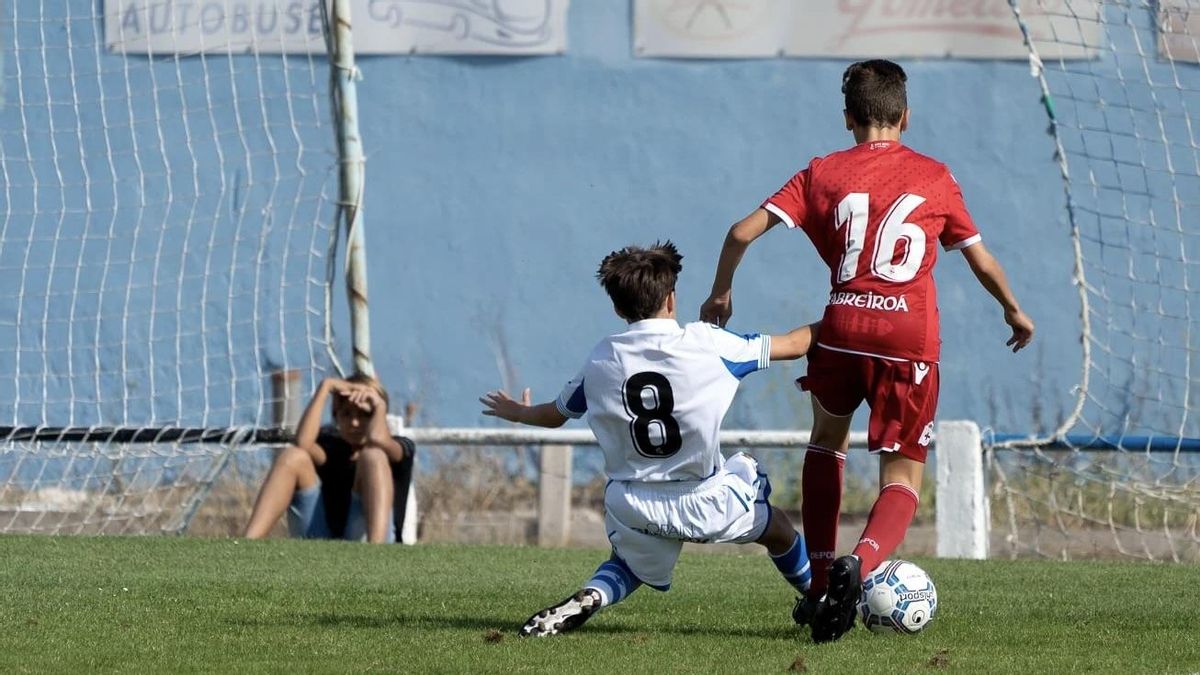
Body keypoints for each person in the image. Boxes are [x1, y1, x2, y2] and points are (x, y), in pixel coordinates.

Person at [700, 59, 1034, 643]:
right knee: (901, 478)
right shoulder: (935, 176)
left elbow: (738, 231)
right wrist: (1012, 307)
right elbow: (978, 257)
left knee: (826, 443)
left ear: (849, 117)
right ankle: (865, 559)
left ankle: (823, 577)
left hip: (842, 327)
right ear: (905, 116)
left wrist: (721, 291)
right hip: (908, 341)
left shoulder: (821, 172)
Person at [481, 241, 821, 637]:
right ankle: (819, 595)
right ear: (672, 299)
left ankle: (592, 595)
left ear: (618, 309)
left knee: (628, 565)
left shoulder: (602, 358)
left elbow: (556, 415)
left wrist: (519, 413)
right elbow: (797, 345)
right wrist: (855, 317)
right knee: (775, 525)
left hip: (632, 501)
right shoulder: (709, 343)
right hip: (704, 499)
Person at [244, 373, 414, 543]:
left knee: (372, 456)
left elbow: (377, 439)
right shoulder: (331, 447)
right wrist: (325, 387)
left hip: (367, 541)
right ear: (336, 417)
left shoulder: (400, 447)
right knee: (293, 456)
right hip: (324, 539)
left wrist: (379, 405)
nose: (354, 422)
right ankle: (245, 545)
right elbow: (302, 443)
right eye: (346, 414)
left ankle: (377, 556)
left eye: (364, 414)